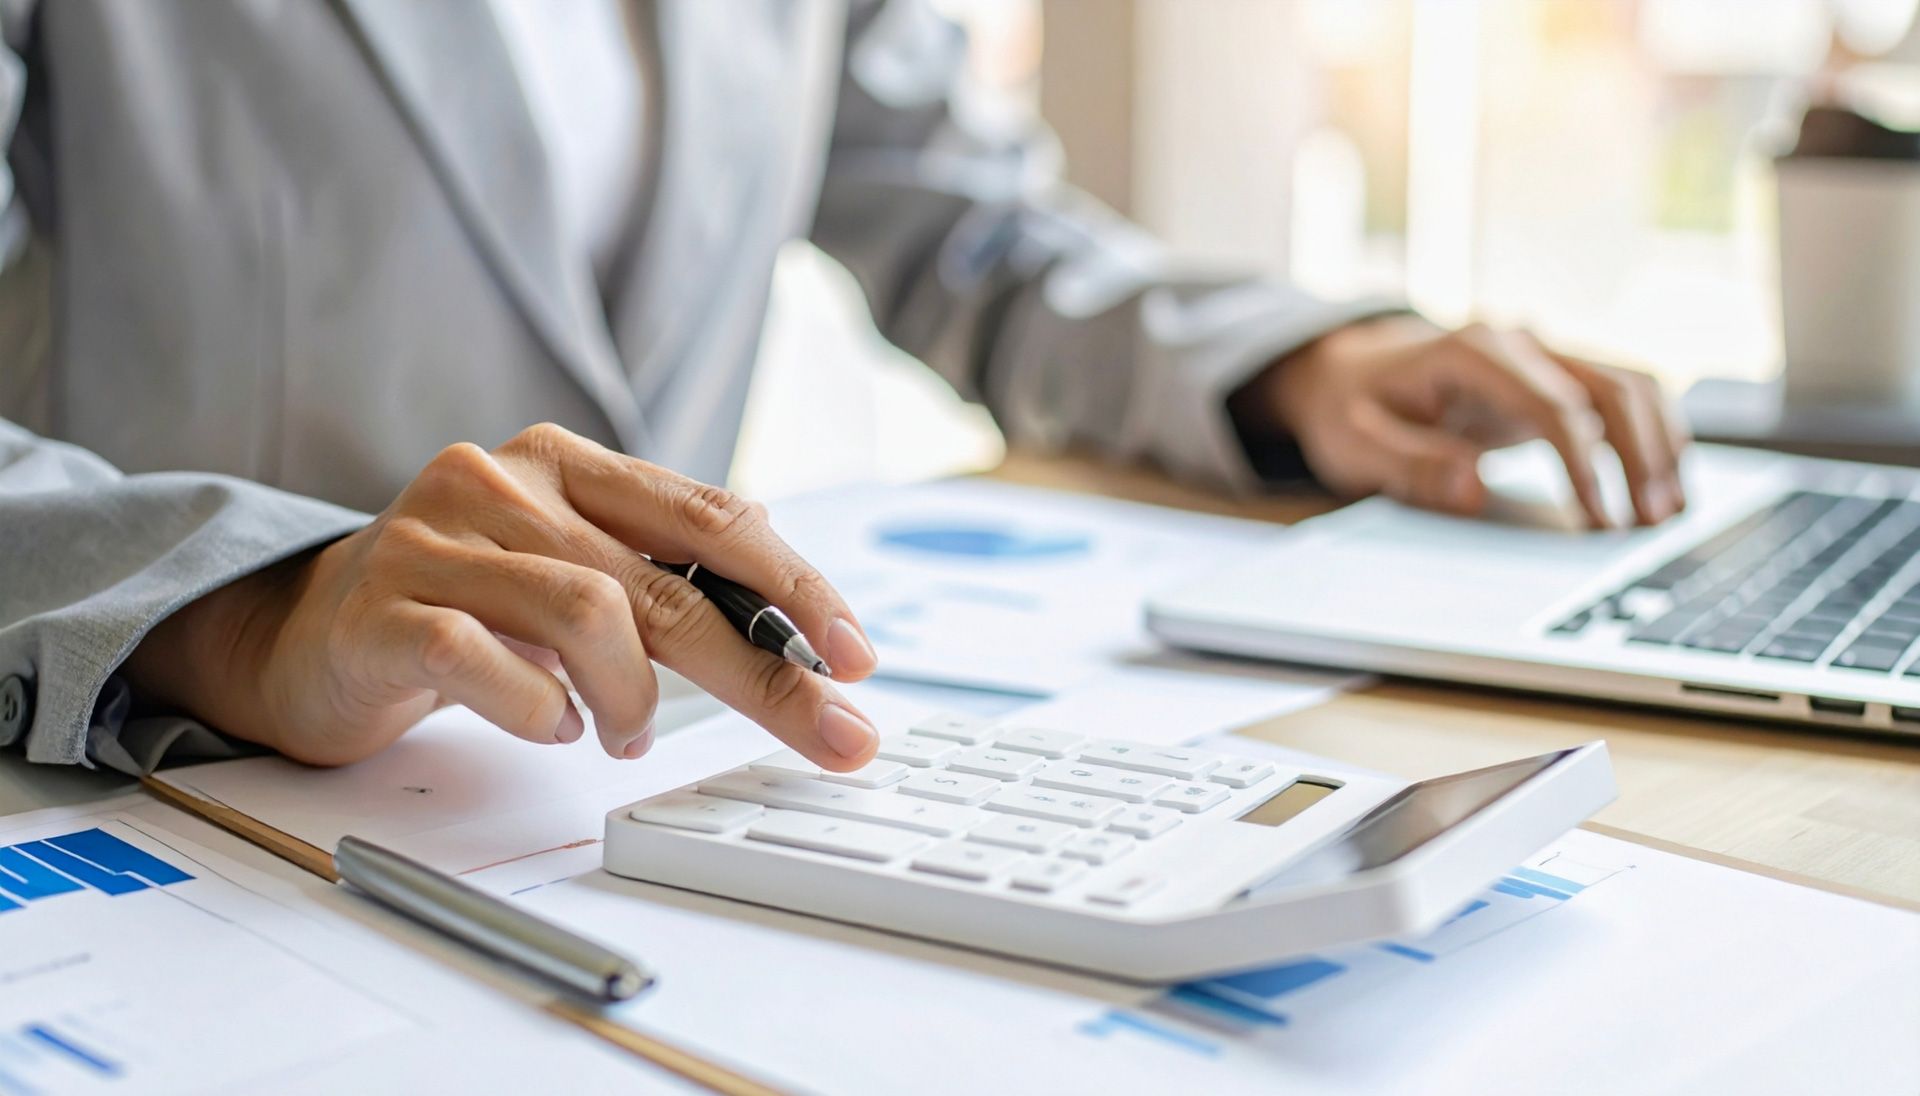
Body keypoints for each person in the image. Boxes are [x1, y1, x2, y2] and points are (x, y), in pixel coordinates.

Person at [0, 1, 1687, 776]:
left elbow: (975, 235)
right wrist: (249, 605)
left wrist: (1293, 365)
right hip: (190, 808)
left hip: (621, 799)